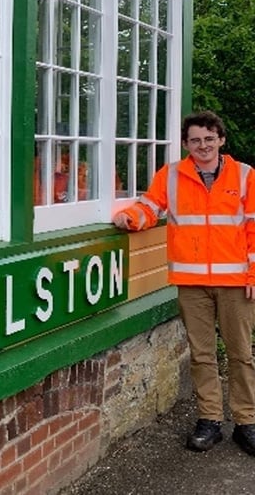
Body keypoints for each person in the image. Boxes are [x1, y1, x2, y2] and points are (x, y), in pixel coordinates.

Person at [112, 110, 255, 455]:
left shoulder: (246, 175)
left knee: (240, 354)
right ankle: (210, 421)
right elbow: (150, 206)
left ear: (221, 139)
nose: (202, 145)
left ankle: (246, 422)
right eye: (195, 140)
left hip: (236, 282)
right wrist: (128, 217)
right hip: (191, 282)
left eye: (209, 138)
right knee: (202, 355)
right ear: (186, 144)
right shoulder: (171, 175)